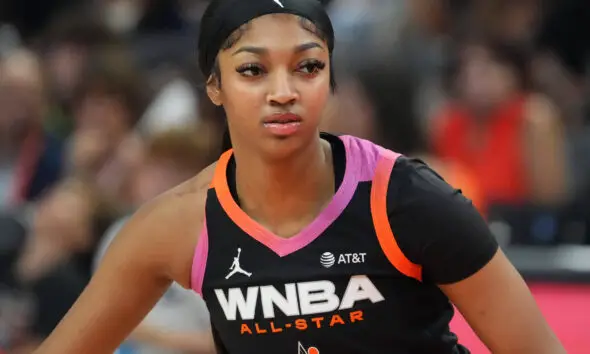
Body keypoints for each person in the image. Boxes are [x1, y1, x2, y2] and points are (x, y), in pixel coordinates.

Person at [34, 0, 565, 353]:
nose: (283, 90)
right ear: (214, 86)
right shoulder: (176, 225)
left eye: (308, 67)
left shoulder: (406, 199)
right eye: (253, 70)